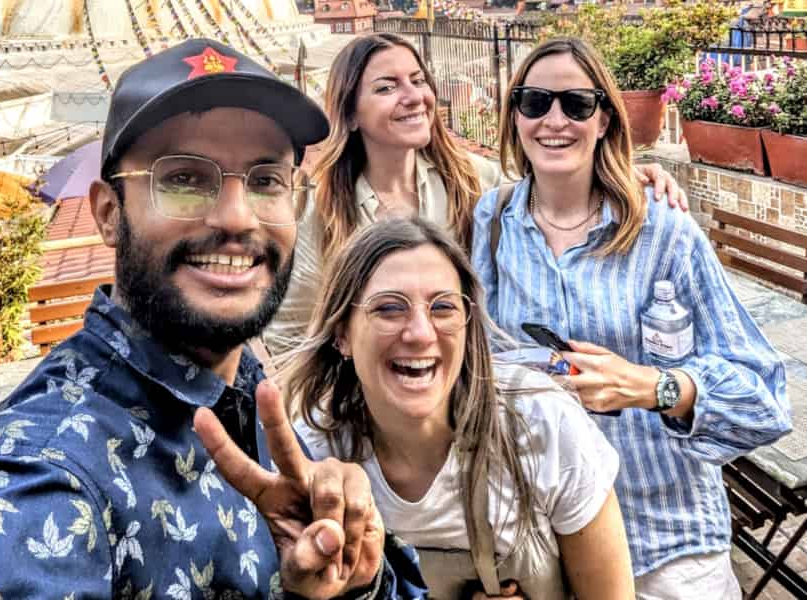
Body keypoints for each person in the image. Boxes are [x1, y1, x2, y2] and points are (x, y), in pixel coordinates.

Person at [0, 39, 426, 599]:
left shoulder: (244, 391)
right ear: (109, 213)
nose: (236, 217)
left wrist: (348, 584)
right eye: (182, 179)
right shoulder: (38, 500)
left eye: (265, 180)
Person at [471, 37, 791, 599]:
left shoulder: (664, 232)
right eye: (534, 102)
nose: (554, 120)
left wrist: (653, 386)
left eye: (576, 104)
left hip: (663, 543)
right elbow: (480, 362)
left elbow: (764, 398)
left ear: (604, 121)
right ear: (514, 116)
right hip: (543, 544)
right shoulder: (493, 221)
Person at [264, 32, 686, 355]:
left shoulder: (469, 179)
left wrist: (619, 171)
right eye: (387, 87)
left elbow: (550, 178)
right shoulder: (325, 212)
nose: (414, 97)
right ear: (351, 113)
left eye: (417, 80)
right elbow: (290, 339)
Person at [285, 217, 635, 599]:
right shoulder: (314, 451)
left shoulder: (542, 424)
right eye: (389, 308)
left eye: (443, 308)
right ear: (342, 335)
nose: (420, 333)